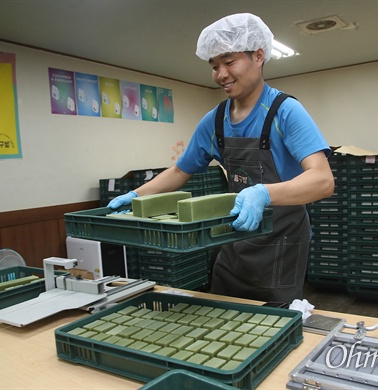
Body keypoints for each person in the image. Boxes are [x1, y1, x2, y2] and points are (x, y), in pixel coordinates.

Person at [109, 13, 334, 303]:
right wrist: (136, 196)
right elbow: (180, 171)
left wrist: (264, 193)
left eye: (229, 62)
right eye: (214, 66)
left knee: (272, 325)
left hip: (282, 243)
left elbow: (323, 180)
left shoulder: (285, 111)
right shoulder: (214, 121)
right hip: (235, 238)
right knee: (224, 313)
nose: (221, 74)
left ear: (259, 56)